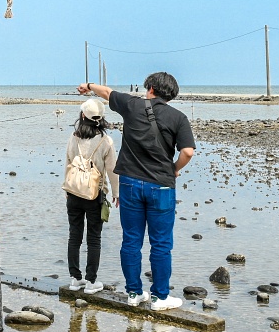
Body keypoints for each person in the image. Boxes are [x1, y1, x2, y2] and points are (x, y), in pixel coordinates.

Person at [77, 72, 195, 311]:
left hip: (130, 183)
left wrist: (88, 86)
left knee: (131, 240)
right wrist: (174, 169)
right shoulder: (179, 117)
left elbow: (107, 93)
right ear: (171, 95)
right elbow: (188, 152)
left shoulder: (132, 105)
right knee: (161, 243)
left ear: (150, 88)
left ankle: (133, 293)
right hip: (161, 185)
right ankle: (160, 298)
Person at [64, 98, 119, 294]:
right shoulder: (105, 141)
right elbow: (112, 170)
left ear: (82, 116)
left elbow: (69, 163)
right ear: (101, 118)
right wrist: (116, 193)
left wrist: (67, 190)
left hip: (74, 192)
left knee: (74, 235)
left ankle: (74, 279)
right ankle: (90, 281)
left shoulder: (73, 137)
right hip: (95, 195)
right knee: (94, 238)